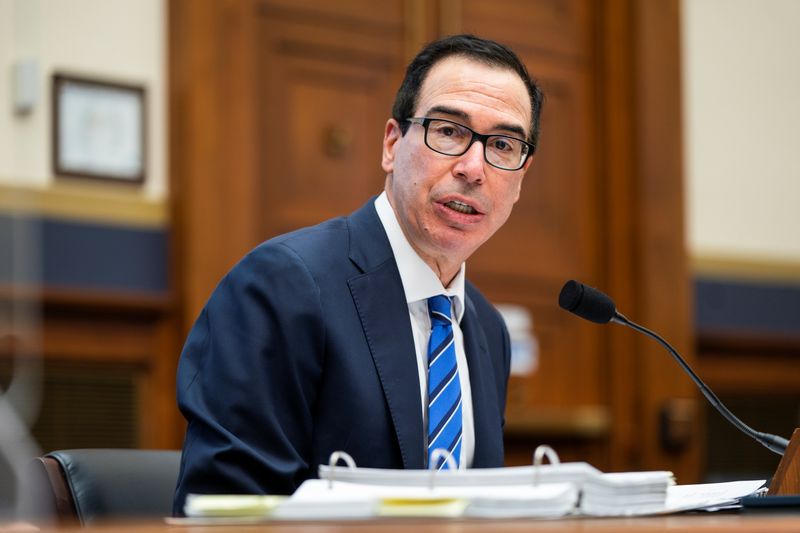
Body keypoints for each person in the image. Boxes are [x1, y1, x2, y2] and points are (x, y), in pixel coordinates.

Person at [173, 34, 544, 515]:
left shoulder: (486, 328)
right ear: (392, 144)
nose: (474, 168)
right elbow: (228, 512)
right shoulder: (282, 285)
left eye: (502, 144)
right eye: (449, 131)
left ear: (521, 179)